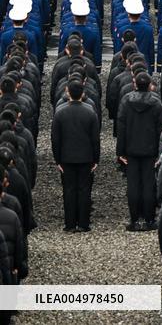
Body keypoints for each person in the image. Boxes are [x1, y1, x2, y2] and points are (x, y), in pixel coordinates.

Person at [116, 72, 162, 231]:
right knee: (149, 184)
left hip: (131, 149)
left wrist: (120, 152)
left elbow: (121, 127)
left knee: (133, 185)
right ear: (150, 85)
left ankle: (134, 219)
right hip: (150, 150)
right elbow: (161, 129)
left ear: (135, 84)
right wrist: (160, 151)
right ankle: (149, 218)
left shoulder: (126, 101)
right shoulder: (156, 103)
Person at [51, 80, 100, 232]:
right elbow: (95, 138)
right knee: (84, 190)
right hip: (86, 156)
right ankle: (84, 223)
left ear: (68, 93)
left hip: (66, 157)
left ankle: (70, 223)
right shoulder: (90, 112)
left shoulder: (60, 112)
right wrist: (96, 159)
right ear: (82, 93)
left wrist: (57, 159)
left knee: (69, 190)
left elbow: (55, 139)